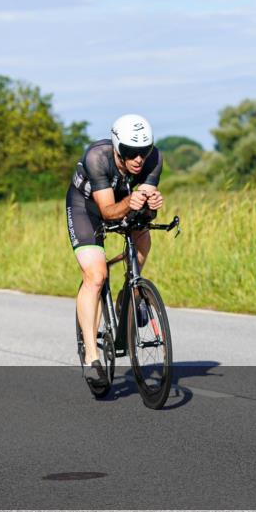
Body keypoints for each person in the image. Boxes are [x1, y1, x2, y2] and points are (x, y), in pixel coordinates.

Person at [66, 114, 165, 388]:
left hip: (120, 202)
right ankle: (91, 357)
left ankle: (129, 294)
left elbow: (144, 211)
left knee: (143, 237)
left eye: (143, 152)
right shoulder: (97, 157)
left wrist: (152, 204)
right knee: (96, 276)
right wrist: (133, 201)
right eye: (131, 153)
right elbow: (109, 212)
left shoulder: (154, 159)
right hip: (86, 208)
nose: (138, 160)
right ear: (117, 147)